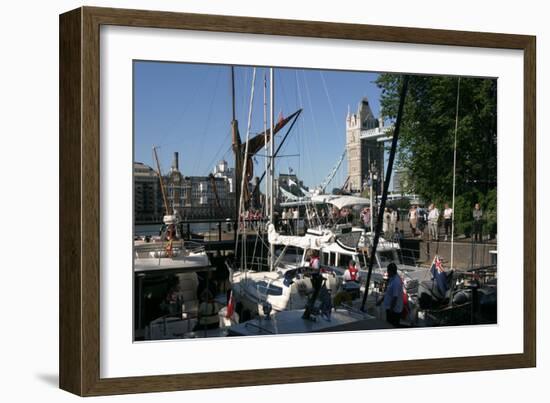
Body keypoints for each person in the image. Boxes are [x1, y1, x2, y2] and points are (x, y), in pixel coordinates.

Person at [376, 262, 403, 327]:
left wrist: (391, 310)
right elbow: (386, 291)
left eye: (388, 271)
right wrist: (381, 300)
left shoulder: (396, 282)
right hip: (389, 308)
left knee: (392, 326)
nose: (387, 272)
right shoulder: (392, 277)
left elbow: (395, 297)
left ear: (391, 271)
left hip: (394, 311)